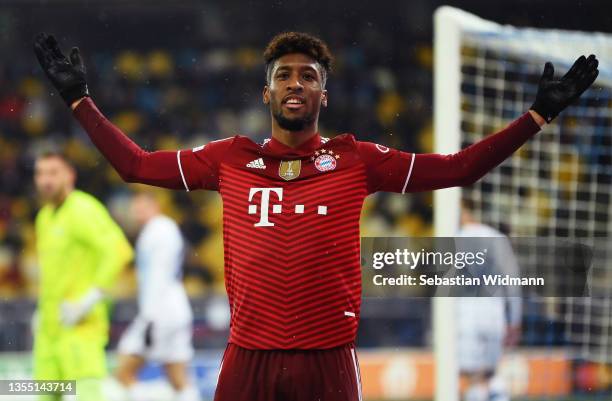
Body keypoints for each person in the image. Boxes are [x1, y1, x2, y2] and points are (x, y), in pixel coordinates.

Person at [33, 31, 598, 401]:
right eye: (285, 75)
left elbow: (457, 169)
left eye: (308, 76)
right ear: (267, 92)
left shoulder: (358, 158)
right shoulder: (231, 157)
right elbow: (134, 165)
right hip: (248, 358)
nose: (295, 84)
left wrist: (537, 116)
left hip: (327, 362)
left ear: (323, 94)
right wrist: (81, 102)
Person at [33, 151, 133, 401]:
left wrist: (90, 298)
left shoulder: (83, 208)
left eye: (53, 173)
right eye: (40, 173)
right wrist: (42, 311)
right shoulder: (44, 218)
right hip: (50, 328)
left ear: (70, 175)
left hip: (81, 326)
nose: (46, 180)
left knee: (88, 395)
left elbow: (118, 250)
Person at [114, 191, 199, 401]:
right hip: (177, 309)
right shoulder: (165, 228)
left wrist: (150, 317)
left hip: (160, 313)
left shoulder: (157, 230)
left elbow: (158, 275)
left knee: (123, 372)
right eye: (135, 207)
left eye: (142, 206)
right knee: (177, 377)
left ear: (155, 206)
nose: (137, 211)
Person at [456, 199, 522, 401]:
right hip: (494, 317)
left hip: (464, 319)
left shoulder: (453, 239)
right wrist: (514, 320)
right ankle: (498, 394)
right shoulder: (497, 238)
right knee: (490, 374)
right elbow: (513, 282)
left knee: (470, 378)